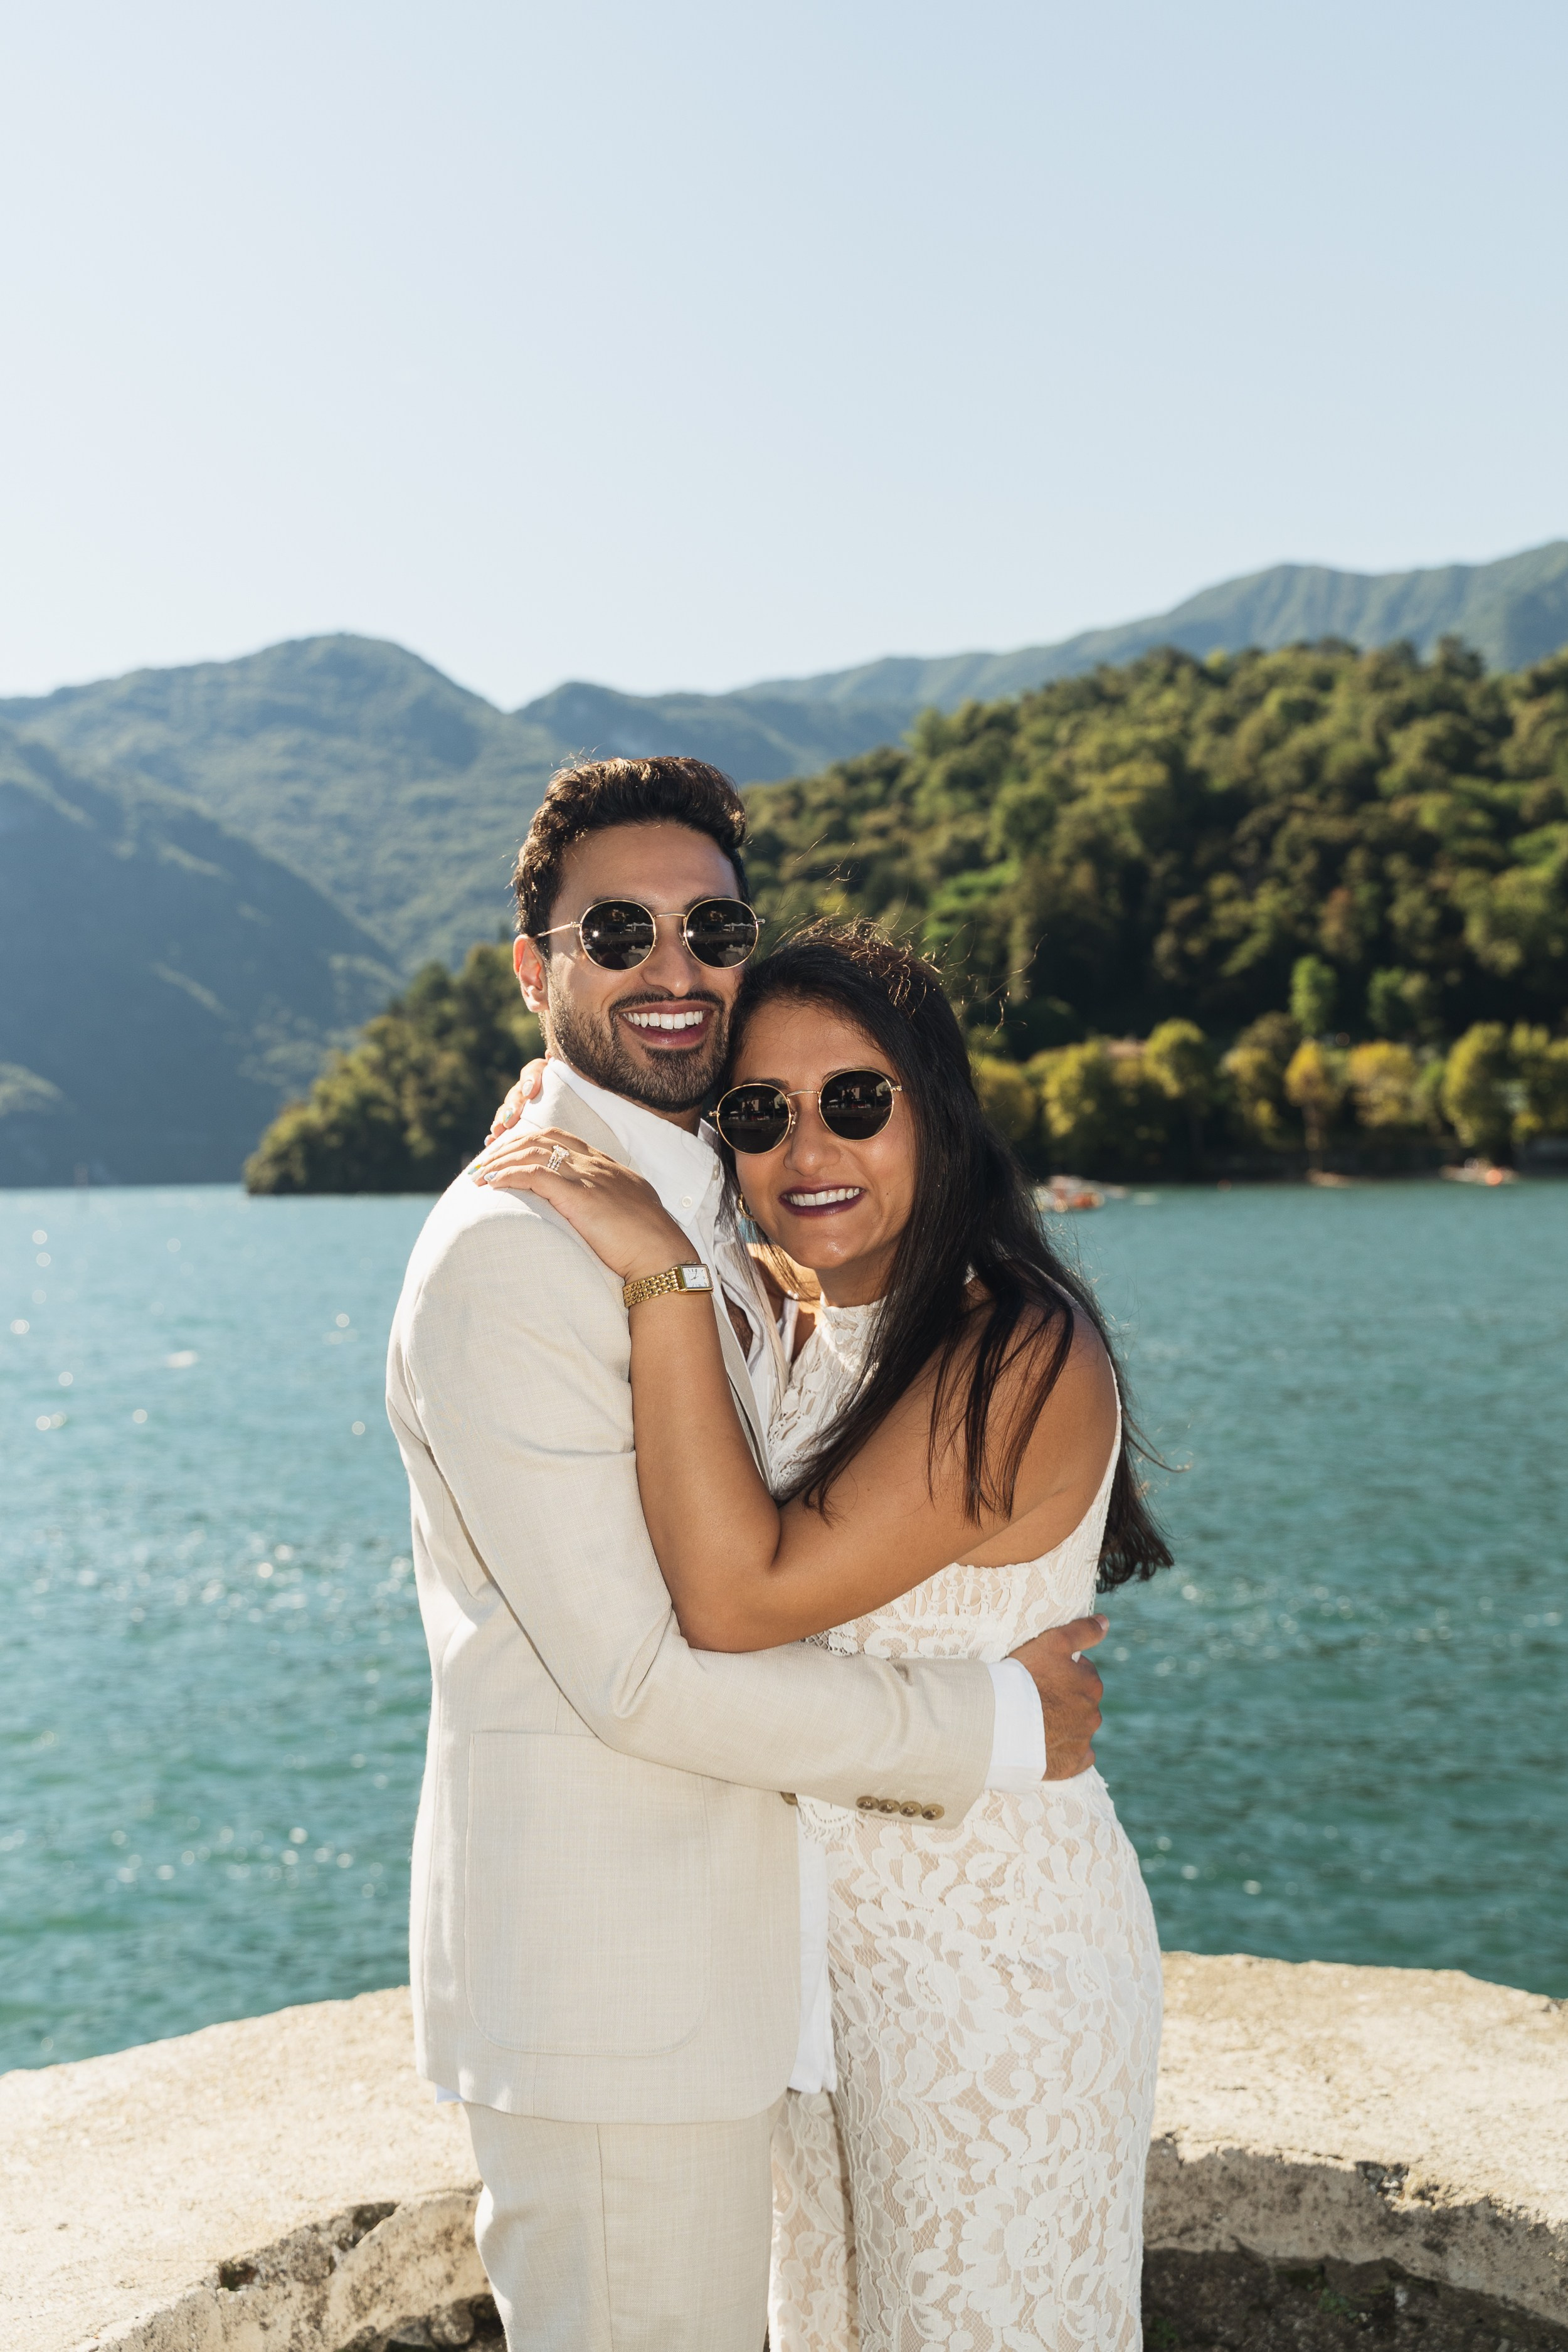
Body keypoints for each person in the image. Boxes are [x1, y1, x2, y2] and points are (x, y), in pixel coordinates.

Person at [386, 756, 1107, 2352]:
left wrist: (640, 1157)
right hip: (613, 2007)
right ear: (536, 969)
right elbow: (653, 1668)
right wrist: (992, 1723)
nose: (673, 968)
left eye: (711, 929)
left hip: (785, 1992)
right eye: (617, 931)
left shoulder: (708, 1199)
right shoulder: (517, 1260)